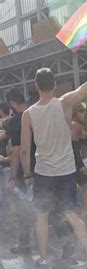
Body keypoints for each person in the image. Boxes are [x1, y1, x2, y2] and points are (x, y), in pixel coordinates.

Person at [19, 41, 87, 269]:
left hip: (43, 172)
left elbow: (25, 149)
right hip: (67, 170)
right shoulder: (65, 102)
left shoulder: (28, 114)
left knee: (41, 215)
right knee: (71, 213)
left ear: (36, 87)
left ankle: (43, 260)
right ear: (55, 85)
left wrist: (28, 173)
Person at [4, 88, 35, 255]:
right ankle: (66, 242)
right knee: (48, 207)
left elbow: (18, 151)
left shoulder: (18, 120)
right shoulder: (37, 112)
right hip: (46, 169)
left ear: (12, 103)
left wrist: (13, 176)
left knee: (24, 211)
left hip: (26, 171)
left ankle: (25, 245)